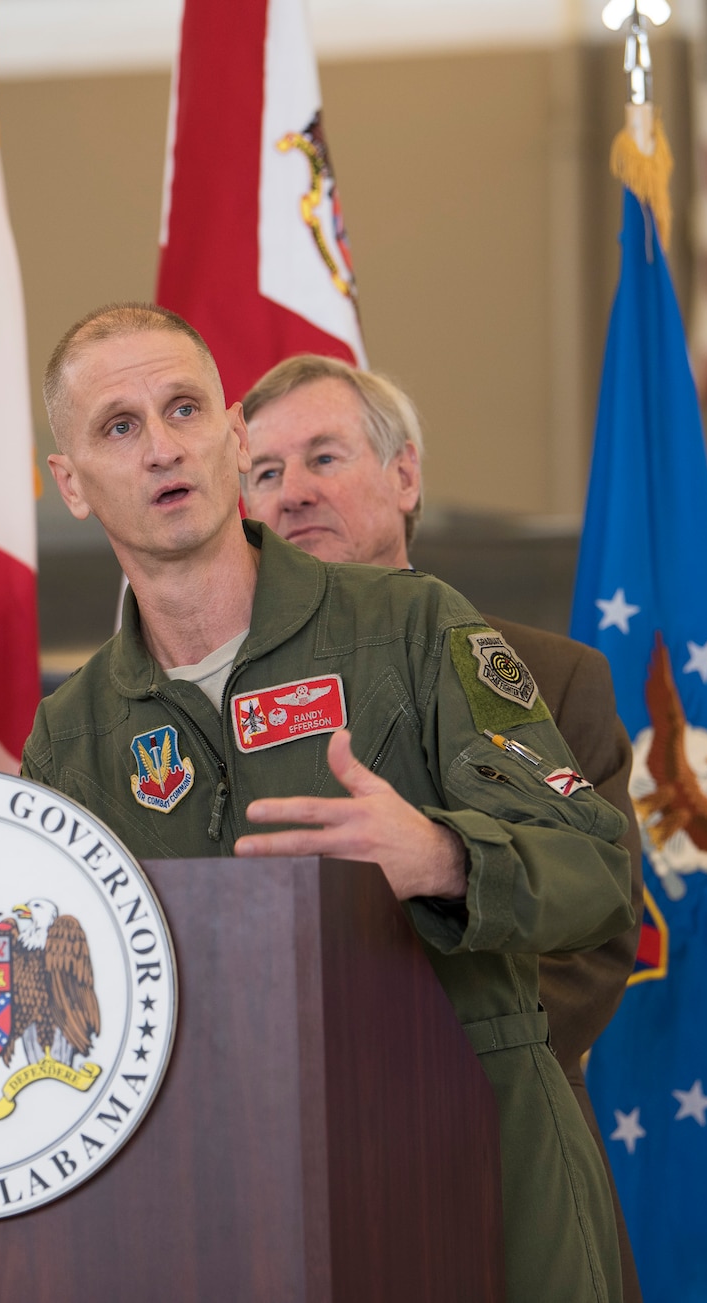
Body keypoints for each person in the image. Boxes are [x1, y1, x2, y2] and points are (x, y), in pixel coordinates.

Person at [24, 304, 634, 1303]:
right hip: (227, 1212)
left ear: (228, 438)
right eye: (117, 427)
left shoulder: (411, 626)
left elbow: (593, 873)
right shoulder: (72, 733)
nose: (160, 448)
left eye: (181, 409)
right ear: (70, 485)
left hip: (475, 1183)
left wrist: (440, 855)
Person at [241, 353, 645, 1303]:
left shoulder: (550, 676)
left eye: (324, 457)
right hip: (272, 1178)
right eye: (263, 472)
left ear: (406, 475)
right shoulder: (213, 703)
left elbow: (595, 937)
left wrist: (406, 1067)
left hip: (500, 1159)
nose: (293, 493)